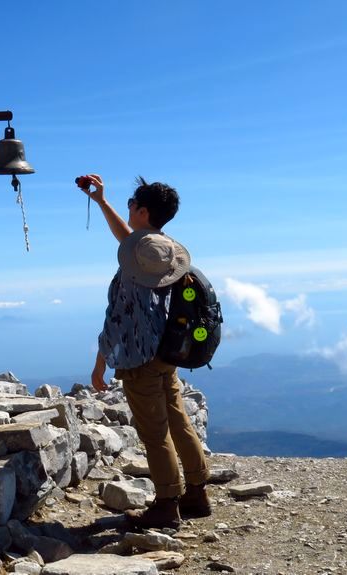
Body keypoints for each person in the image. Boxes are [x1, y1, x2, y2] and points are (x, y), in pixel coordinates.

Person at [81, 173, 211, 530]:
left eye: (130, 205)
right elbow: (131, 240)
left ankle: (166, 504)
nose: (128, 209)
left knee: (154, 433)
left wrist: (99, 362)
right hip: (169, 352)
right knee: (179, 422)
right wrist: (103, 202)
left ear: (141, 210)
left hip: (139, 358)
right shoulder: (162, 254)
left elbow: (116, 319)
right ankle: (197, 493)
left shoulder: (131, 273)